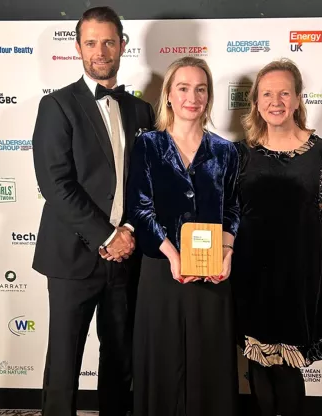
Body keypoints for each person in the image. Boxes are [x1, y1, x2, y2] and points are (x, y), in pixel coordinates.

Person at [32, 6, 155, 416]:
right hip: (72, 258)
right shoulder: (58, 106)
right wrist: (107, 235)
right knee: (64, 365)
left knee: (121, 363)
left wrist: (129, 234)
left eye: (108, 41)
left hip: (126, 258)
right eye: (91, 42)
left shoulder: (141, 111)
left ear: (122, 45)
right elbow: (56, 184)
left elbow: (148, 183)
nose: (100, 51)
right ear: (78, 48)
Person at [126, 56, 240, 416]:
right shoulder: (148, 145)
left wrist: (227, 253)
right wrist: (174, 257)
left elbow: (234, 209)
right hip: (162, 270)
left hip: (213, 273)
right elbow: (140, 210)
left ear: (208, 97)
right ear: (169, 96)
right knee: (163, 362)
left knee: (210, 363)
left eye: (201, 89)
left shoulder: (225, 150)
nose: (193, 96)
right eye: (184, 88)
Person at [231, 58, 322, 416]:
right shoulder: (239, 154)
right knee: (259, 364)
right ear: (256, 102)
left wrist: (304, 263)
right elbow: (231, 215)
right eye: (267, 93)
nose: (275, 101)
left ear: (297, 99)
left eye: (283, 93)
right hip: (251, 275)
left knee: (289, 368)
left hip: (298, 277)